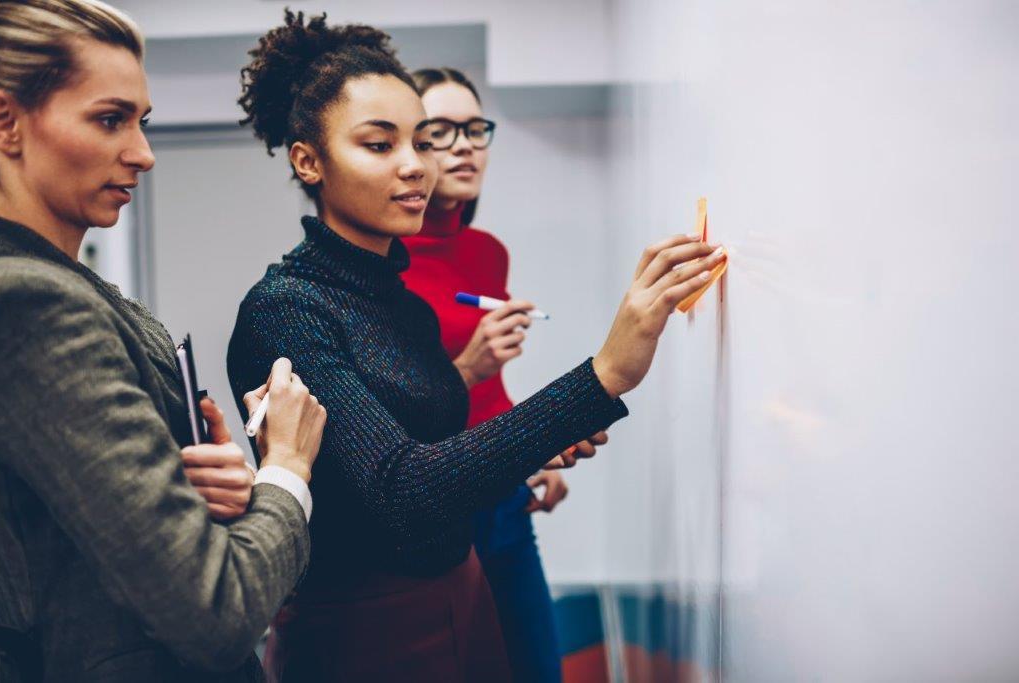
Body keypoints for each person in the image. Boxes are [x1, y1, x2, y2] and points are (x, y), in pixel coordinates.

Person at [227, 11, 726, 682]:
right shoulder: (288, 309)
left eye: (418, 142)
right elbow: (402, 489)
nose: (416, 166)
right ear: (308, 161)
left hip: (463, 595)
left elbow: (439, 436)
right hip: (362, 635)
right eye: (380, 145)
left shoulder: (399, 300)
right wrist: (603, 375)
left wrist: (537, 439)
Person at [0, 2, 327, 681]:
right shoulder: (32, 302)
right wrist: (286, 469)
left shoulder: (78, 290)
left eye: (140, 122)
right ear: (6, 121)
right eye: (110, 119)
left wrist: (203, 490)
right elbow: (215, 612)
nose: (143, 153)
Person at [400, 66, 585, 682]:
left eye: (475, 128)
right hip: (437, 508)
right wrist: (467, 364)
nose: (464, 145)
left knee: (537, 668)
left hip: (502, 494)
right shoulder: (383, 264)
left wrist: (528, 451)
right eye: (441, 130)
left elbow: (491, 388)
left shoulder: (487, 251)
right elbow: (388, 418)